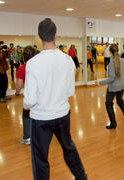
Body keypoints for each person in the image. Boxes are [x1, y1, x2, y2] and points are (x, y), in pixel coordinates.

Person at [24, 18, 87, 180]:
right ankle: (81, 177)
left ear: (39, 36)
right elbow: (70, 91)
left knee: (40, 157)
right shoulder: (67, 60)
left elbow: (30, 100)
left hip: (40, 119)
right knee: (69, 148)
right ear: (56, 35)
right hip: (62, 115)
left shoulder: (32, 63)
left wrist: (25, 106)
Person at [98, 44, 124, 129]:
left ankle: (113, 124)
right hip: (121, 86)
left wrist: (100, 83)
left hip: (113, 88)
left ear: (110, 52)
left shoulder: (111, 63)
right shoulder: (123, 60)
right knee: (120, 102)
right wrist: (122, 81)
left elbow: (111, 78)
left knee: (108, 104)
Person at [15, 46, 36, 145]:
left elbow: (19, 84)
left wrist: (17, 92)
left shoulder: (22, 67)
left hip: (30, 96)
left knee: (26, 115)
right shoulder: (40, 66)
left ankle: (27, 138)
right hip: (41, 95)